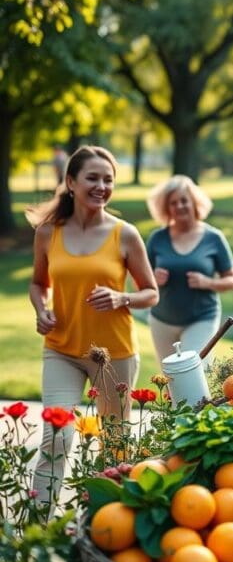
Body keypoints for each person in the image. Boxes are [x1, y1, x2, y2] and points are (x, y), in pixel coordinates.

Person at [27, 145, 159, 505]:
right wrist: (41, 309)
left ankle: (104, 525)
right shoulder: (48, 233)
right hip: (62, 350)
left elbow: (151, 293)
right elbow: (39, 284)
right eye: (93, 178)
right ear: (71, 182)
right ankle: (39, 530)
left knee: (115, 445)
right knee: (58, 436)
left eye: (108, 179)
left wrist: (122, 298)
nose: (102, 186)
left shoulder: (125, 234)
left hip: (113, 354)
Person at [145, 175, 233, 367]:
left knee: (194, 371)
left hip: (201, 318)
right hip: (161, 320)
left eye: (184, 200)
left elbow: (232, 280)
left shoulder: (214, 238)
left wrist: (208, 282)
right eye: (173, 202)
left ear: (194, 203)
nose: (179, 206)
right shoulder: (157, 238)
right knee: (170, 378)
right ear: (166, 208)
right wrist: (152, 279)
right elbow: (139, 280)